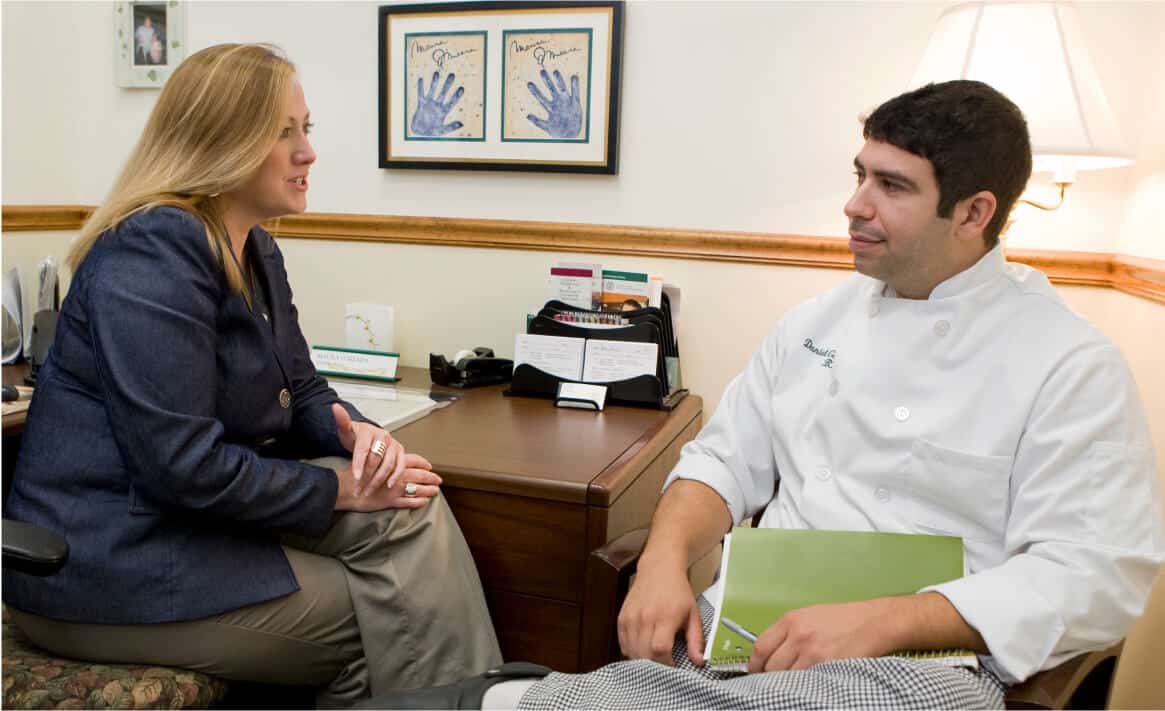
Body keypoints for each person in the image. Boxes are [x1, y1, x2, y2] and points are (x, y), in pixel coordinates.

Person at [370, 80, 1165, 709]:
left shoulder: (1066, 363)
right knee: (679, 676)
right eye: (860, 175)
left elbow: (1093, 571)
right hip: (744, 631)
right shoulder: (814, 324)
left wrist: (887, 616)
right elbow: (720, 461)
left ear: (974, 212)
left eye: (891, 185)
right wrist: (663, 561)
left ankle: (515, 698)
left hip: (915, 664)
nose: (854, 205)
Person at [1, 43, 501, 707]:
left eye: (306, 129)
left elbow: (304, 392)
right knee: (384, 614)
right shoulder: (152, 252)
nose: (308, 153)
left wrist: (363, 443)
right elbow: (181, 466)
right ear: (221, 144)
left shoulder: (255, 247)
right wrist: (339, 493)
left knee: (412, 502)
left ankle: (483, 699)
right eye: (282, 132)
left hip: (189, 523)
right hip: (107, 562)